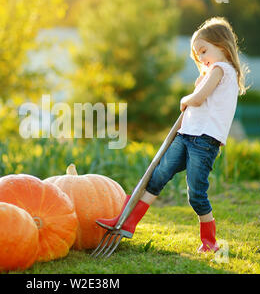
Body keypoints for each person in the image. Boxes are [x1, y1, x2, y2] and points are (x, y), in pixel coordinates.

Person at [96, 17, 249, 253]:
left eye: (204, 50)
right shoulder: (213, 73)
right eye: (197, 55)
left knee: (196, 194)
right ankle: (126, 223)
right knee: (157, 177)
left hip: (204, 141)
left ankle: (210, 242)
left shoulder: (221, 69)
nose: (201, 58)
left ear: (222, 46)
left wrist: (184, 99)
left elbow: (197, 100)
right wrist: (199, 84)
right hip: (186, 134)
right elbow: (202, 99)